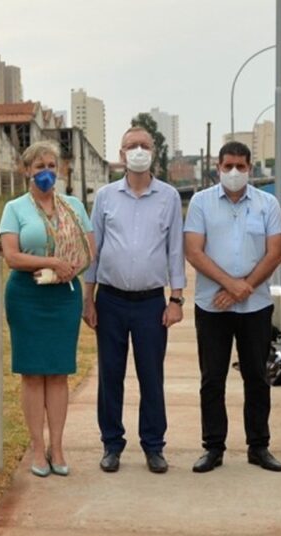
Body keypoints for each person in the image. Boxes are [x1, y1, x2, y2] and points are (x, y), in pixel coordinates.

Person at [83, 125, 185, 474]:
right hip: (110, 300)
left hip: (150, 303)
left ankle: (153, 446)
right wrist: (88, 298)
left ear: (153, 151)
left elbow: (175, 249)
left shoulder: (169, 196)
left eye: (144, 145)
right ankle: (111, 444)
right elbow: (93, 250)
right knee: (110, 375)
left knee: (150, 376)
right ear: (121, 154)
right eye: (131, 146)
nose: (138, 150)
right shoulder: (106, 196)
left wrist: (177, 299)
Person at [183, 142, 281, 474]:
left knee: (257, 376)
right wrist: (231, 285)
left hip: (255, 306)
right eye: (228, 166)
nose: (234, 172)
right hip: (212, 306)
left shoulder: (267, 204)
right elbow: (194, 251)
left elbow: (275, 252)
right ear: (217, 167)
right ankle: (213, 447)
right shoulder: (201, 202)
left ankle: (259, 446)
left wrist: (246, 288)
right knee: (212, 378)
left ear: (250, 168)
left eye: (241, 166)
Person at [0, 141, 95, 477]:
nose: (46, 173)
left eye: (51, 166)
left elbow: (88, 251)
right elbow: (11, 256)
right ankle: (37, 449)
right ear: (26, 171)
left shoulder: (73, 206)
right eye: (39, 167)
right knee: (32, 373)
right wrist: (50, 261)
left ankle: (57, 446)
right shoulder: (15, 208)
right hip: (27, 296)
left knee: (57, 373)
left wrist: (60, 270)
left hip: (63, 295)